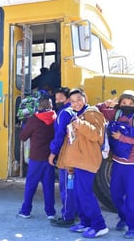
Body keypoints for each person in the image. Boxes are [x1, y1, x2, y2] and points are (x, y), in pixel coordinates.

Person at [56, 88, 109, 238]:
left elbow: (97, 135)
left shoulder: (93, 113)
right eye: (72, 101)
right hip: (77, 161)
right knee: (78, 193)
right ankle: (85, 222)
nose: (76, 103)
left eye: (79, 100)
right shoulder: (77, 115)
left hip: (88, 161)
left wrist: (81, 125)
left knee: (85, 193)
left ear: (85, 99)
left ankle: (100, 225)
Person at [96, 90, 134, 239]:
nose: (127, 105)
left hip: (132, 164)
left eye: (131, 103)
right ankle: (123, 217)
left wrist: (122, 137)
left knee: (131, 196)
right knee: (115, 193)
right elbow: (97, 109)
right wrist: (107, 104)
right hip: (117, 161)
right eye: (124, 102)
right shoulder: (117, 114)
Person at [17, 97, 57, 220]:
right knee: (49, 186)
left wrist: (24, 125)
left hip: (36, 158)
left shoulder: (34, 120)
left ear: (38, 107)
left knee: (31, 185)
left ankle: (25, 211)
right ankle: (50, 212)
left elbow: (23, 137)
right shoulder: (55, 118)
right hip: (50, 158)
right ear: (51, 107)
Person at [48, 87, 78, 228]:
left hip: (66, 156)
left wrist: (53, 152)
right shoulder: (76, 111)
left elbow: (60, 135)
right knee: (73, 185)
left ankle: (67, 216)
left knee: (66, 186)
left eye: (60, 98)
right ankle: (75, 212)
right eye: (56, 99)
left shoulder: (64, 113)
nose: (57, 101)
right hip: (77, 155)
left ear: (67, 99)